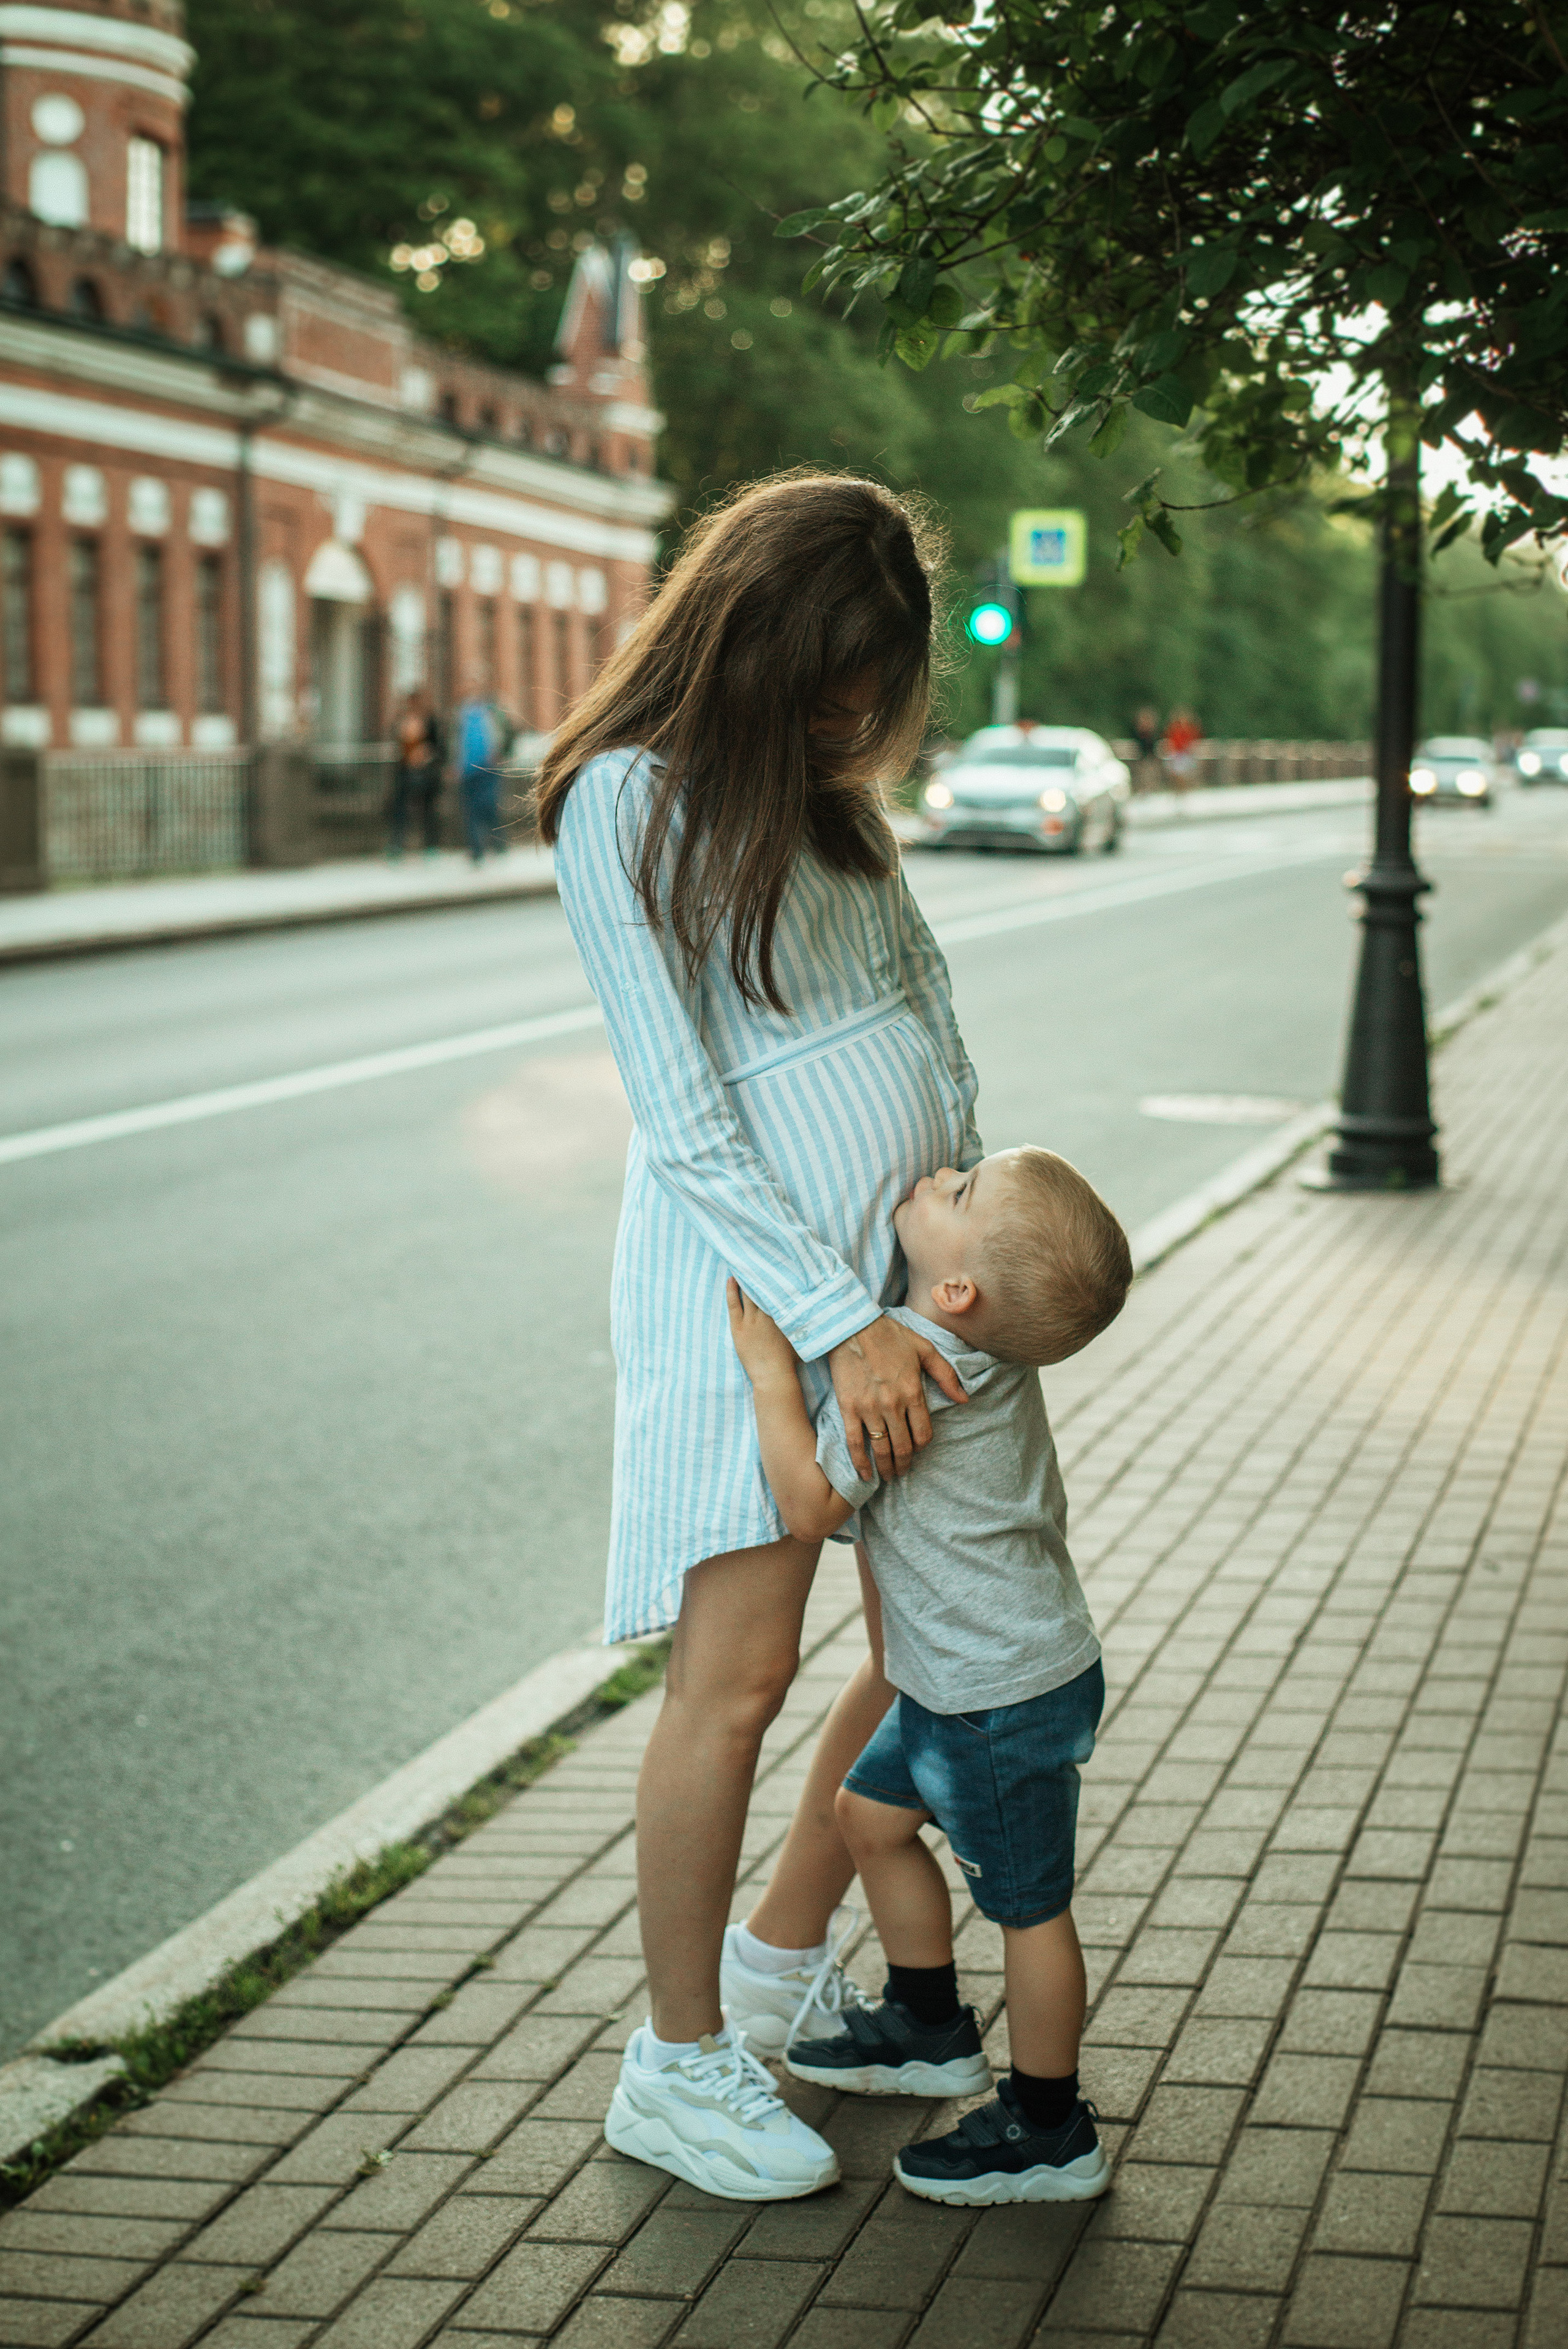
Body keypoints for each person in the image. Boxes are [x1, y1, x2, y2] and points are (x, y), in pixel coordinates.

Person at [537, 472, 981, 2203]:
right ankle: (676, 2060)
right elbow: (690, 1115)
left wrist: (959, 1235)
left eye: (880, 686)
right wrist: (831, 1321)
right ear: (748, 638)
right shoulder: (625, 799)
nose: (857, 716)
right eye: (831, 679)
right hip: (756, 1300)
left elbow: (921, 997)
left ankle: (778, 1961)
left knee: (933, 1638)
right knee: (728, 1690)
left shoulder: (830, 795)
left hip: (898, 1293)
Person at [728, 1144, 1131, 2205]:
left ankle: (1050, 2131)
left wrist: (773, 1373)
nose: (940, 1173)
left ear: (956, 1290)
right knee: (868, 1819)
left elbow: (814, 1507)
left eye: (959, 1192)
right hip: (973, 1681)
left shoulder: (911, 1366)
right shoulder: (983, 1337)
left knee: (1030, 1909)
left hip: (995, 1697)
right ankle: (926, 2027)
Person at [387, 689, 443, 858]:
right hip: (405, 771)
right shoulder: (401, 722)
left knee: (428, 810)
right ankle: (397, 845)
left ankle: (430, 846)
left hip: (427, 773)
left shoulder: (430, 721)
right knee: (400, 809)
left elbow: (439, 748)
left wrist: (426, 754)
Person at [454, 679, 505, 861]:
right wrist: (456, 765)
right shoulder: (461, 714)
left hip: (488, 768)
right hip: (468, 769)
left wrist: (500, 753)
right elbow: (456, 742)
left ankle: (498, 843)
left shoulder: (492, 711)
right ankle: (477, 849)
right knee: (471, 810)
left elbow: (506, 733)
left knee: (489, 806)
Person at [1163, 706, 1202, 797]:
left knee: (1186, 775)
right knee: (1178, 775)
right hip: (1177, 755)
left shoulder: (1190, 729)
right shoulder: (1174, 729)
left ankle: (1186, 792)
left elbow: (1195, 741)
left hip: (1186, 754)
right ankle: (1180, 792)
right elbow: (1170, 741)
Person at [1131, 703, 1161, 793]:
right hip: (1140, 758)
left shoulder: (1153, 735)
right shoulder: (1138, 734)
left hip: (1150, 758)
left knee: (1150, 773)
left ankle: (1151, 789)